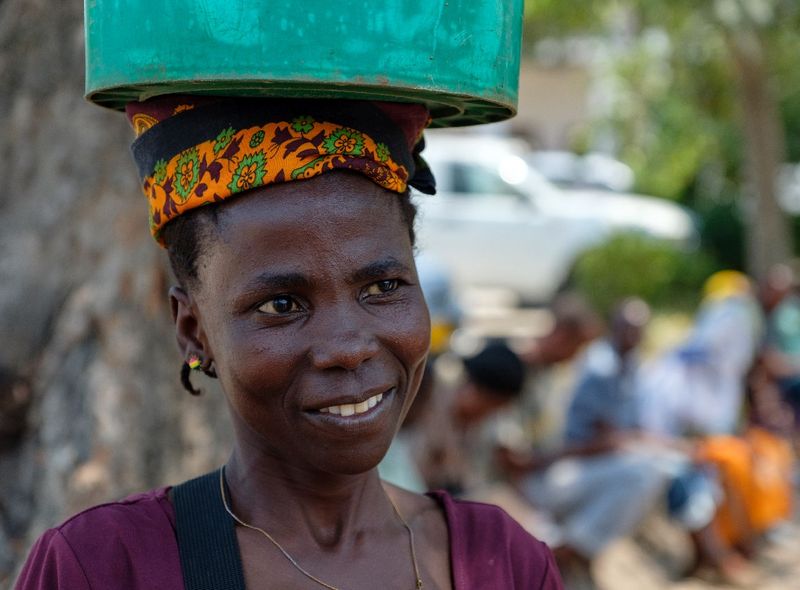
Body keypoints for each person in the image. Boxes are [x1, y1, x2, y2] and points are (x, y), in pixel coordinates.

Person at [15, 96, 562, 589]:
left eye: (383, 287)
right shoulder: (107, 568)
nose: (347, 347)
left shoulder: (504, 565)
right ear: (193, 330)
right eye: (282, 305)